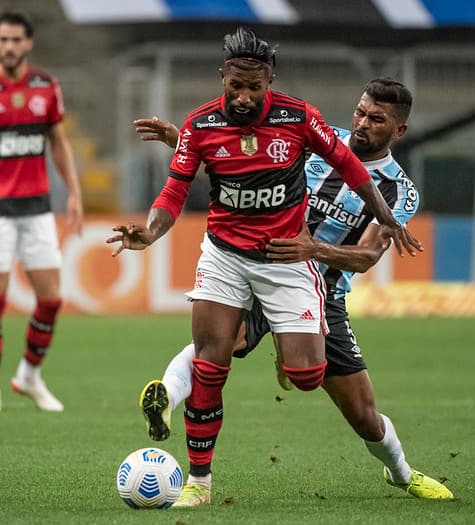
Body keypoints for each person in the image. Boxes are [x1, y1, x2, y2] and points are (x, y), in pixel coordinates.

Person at [107, 28, 422, 508]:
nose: (360, 123)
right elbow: (210, 163)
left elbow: (366, 252)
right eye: (359, 112)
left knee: (318, 383)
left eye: (375, 118)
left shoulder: (369, 170)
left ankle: (400, 471)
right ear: (223, 79)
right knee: (211, 356)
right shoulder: (227, 124)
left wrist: (329, 240)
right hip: (229, 257)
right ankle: (195, 474)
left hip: (306, 278)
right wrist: (179, 152)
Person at [0, 11, 82, 412]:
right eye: (2, 40)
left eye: (16, 39)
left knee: (50, 299)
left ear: (28, 43)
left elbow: (58, 141)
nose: (9, 47)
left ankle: (29, 376)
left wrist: (75, 193)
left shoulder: (46, 86)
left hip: (36, 209)